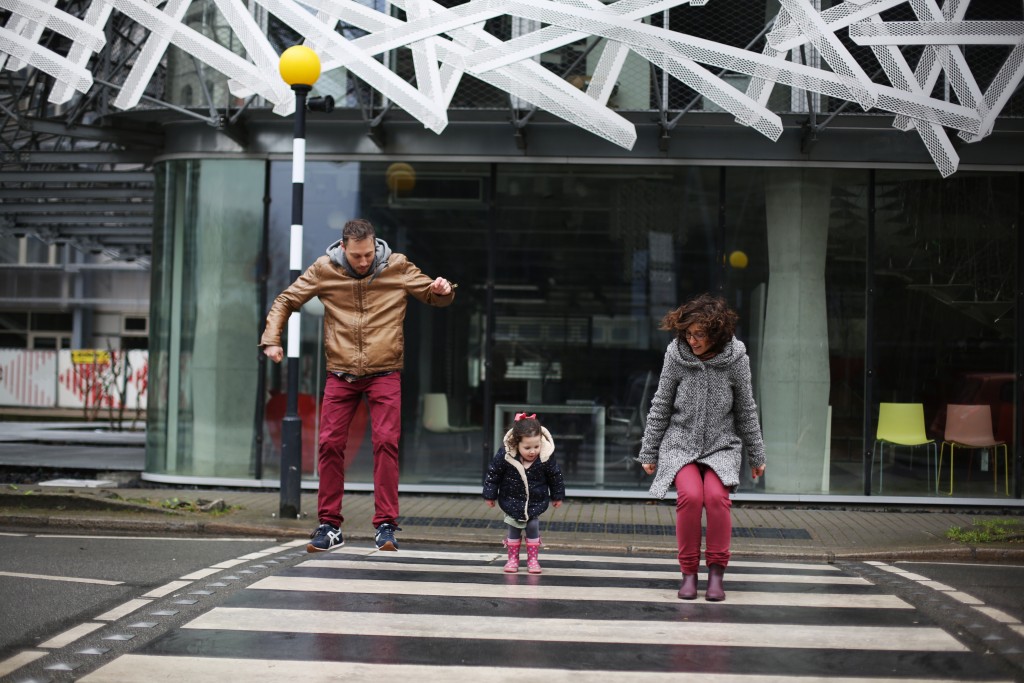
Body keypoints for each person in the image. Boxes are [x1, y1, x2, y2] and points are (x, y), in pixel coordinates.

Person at [260, 218, 455, 553]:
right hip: (341, 373)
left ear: (374, 245)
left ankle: (386, 526)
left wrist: (443, 290)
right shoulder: (324, 269)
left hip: (385, 372)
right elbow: (286, 300)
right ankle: (330, 526)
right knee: (330, 445)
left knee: (386, 445)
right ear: (343, 248)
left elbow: (433, 295)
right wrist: (271, 340)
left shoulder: (397, 265)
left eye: (367, 255)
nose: (364, 262)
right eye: (357, 256)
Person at [636, 293, 766, 602]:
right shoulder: (676, 356)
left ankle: (717, 574)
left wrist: (757, 455)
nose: (692, 341)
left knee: (717, 498)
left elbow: (746, 409)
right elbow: (661, 404)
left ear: (716, 334)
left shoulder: (736, 359)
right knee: (691, 497)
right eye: (688, 334)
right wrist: (649, 451)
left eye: (699, 335)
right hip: (680, 444)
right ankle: (689, 574)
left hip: (721, 445)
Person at [483, 413, 565, 574]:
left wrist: (557, 496)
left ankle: (533, 560)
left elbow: (555, 476)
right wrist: (490, 495)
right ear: (516, 444)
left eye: (536, 446)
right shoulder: (506, 456)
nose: (532, 451)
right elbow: (494, 474)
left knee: (533, 525)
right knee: (513, 528)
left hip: (535, 501)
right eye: (527, 448)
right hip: (511, 499)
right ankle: (512, 559)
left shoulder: (545, 457)